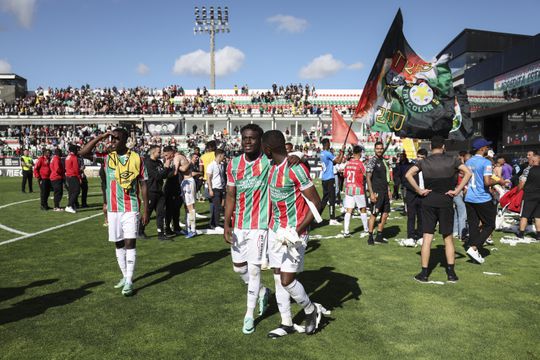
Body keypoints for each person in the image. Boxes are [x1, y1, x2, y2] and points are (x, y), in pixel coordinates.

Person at [262, 130, 323, 337]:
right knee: (278, 277)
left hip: (295, 232)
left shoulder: (295, 169)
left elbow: (317, 203)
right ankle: (286, 322)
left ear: (268, 149)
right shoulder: (271, 167)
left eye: (264, 147)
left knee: (287, 280)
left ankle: (310, 310)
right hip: (275, 230)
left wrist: (296, 230)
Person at [79, 129, 149, 296]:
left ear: (125, 140)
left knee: (130, 243)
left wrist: (146, 208)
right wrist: (102, 137)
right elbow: (83, 152)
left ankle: (130, 281)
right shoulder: (107, 158)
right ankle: (125, 277)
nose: (113, 141)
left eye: (116, 139)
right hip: (113, 209)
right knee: (118, 243)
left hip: (130, 207)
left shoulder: (137, 158)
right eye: (111, 139)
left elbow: (144, 185)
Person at [223, 124, 272, 335]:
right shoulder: (233, 164)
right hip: (240, 225)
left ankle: (249, 315)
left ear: (260, 141)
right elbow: (231, 195)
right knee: (238, 268)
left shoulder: (268, 163)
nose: (247, 142)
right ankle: (262, 291)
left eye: (252, 138)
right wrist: (226, 223)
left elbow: (288, 160)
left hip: (260, 226)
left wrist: (297, 157)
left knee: (253, 269)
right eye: (244, 138)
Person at [405, 136, 472, 283]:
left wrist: (419, 190)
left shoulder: (424, 161)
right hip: (445, 201)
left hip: (428, 201)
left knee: (427, 237)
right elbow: (468, 173)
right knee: (448, 238)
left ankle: (424, 273)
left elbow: (408, 174)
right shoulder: (452, 160)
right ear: (443, 147)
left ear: (430, 147)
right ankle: (451, 274)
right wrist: (457, 190)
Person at [464, 138, 508, 264]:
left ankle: (473, 247)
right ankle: (474, 248)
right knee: (490, 225)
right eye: (487, 147)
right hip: (482, 197)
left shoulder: (469, 161)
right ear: (482, 149)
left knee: (473, 224)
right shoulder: (485, 162)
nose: (488, 149)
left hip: (469, 197)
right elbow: (487, 182)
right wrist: (499, 181)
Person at [140, 145, 173, 241]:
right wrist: (166, 168)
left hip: (159, 191)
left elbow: (164, 175)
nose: (161, 154)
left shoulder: (158, 162)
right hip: (150, 191)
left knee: (161, 213)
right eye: (159, 152)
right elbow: (158, 176)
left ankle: (161, 234)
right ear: (153, 152)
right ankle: (140, 230)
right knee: (148, 213)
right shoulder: (148, 163)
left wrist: (171, 169)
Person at [366, 141, 391, 245]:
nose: (379, 150)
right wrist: (371, 193)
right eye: (377, 148)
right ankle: (370, 236)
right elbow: (368, 177)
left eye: (381, 148)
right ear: (374, 149)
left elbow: (386, 178)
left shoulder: (383, 160)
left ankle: (379, 236)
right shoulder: (372, 161)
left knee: (385, 214)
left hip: (385, 192)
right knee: (374, 214)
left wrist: (389, 190)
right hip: (377, 192)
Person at [342, 145, 368, 237]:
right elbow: (366, 175)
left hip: (349, 188)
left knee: (349, 210)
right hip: (358, 189)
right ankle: (366, 230)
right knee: (363, 209)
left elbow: (345, 175)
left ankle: (346, 231)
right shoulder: (360, 164)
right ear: (360, 153)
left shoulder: (348, 163)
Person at [402, 148, 427, 243]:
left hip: (423, 196)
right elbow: (405, 181)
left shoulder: (427, 169)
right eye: (418, 157)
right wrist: (417, 190)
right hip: (412, 195)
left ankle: (420, 235)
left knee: (421, 217)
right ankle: (411, 236)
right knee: (411, 216)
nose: (419, 159)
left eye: (422, 157)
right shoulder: (410, 168)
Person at [319, 138, 344, 225]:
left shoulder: (322, 153)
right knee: (332, 198)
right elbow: (339, 161)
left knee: (325, 199)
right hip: (330, 178)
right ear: (327, 144)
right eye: (329, 143)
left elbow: (332, 163)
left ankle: (317, 216)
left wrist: (340, 153)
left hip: (324, 178)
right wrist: (342, 152)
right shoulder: (328, 153)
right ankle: (332, 219)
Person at [517, 154, 540, 240]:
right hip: (539, 194)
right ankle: (538, 235)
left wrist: (517, 191)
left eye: (530, 160)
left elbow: (522, 183)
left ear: (533, 161)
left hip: (529, 195)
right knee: (538, 216)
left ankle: (521, 234)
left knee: (524, 215)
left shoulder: (528, 170)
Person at [206, 149, 226, 230]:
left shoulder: (221, 165)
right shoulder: (211, 165)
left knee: (219, 207)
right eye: (223, 155)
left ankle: (213, 223)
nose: (224, 157)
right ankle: (216, 224)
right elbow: (208, 178)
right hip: (215, 188)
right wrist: (210, 189)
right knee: (217, 207)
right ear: (220, 155)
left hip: (221, 188)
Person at [453, 151, 468, 240]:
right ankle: (461, 234)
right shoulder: (461, 172)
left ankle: (455, 231)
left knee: (456, 212)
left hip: (454, 191)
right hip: (458, 192)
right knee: (462, 213)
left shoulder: (452, 171)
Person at [64, 144, 81, 214]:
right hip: (73, 176)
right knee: (76, 191)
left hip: (68, 176)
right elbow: (76, 169)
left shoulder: (68, 157)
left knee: (71, 192)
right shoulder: (74, 157)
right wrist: (79, 177)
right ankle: (69, 205)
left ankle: (71, 205)